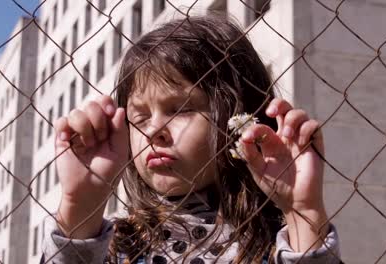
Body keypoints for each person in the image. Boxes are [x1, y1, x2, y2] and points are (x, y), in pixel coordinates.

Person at [41, 14, 341, 264]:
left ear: (240, 114)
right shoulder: (118, 246)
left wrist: (303, 211)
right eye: (140, 117)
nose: (154, 130)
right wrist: (79, 207)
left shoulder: (280, 243)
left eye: (180, 109)